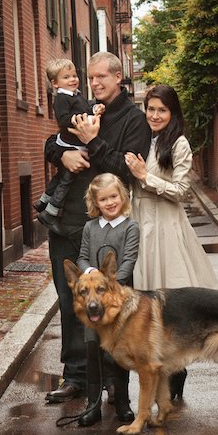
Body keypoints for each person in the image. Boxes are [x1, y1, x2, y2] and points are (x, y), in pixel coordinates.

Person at [43, 52, 151, 414]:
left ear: (119, 77)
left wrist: (92, 141)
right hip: (68, 220)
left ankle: (111, 380)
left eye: (102, 77)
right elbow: (53, 141)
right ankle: (74, 376)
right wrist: (62, 157)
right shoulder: (83, 108)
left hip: (108, 228)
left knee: (112, 303)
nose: (95, 84)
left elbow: (127, 168)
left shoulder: (133, 119)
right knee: (68, 298)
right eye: (91, 78)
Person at [125, 84, 218, 400]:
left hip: (166, 226)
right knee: (144, 303)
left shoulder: (178, 144)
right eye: (150, 109)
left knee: (171, 303)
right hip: (140, 225)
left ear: (172, 112)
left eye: (161, 110)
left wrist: (144, 177)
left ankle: (177, 374)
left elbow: (180, 191)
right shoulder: (141, 138)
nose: (154, 115)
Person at [74, 173, 139, 426]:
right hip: (92, 303)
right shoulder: (90, 228)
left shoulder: (130, 227)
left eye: (114, 196)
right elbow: (81, 257)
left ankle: (123, 403)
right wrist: (89, 272)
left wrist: (108, 285)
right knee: (93, 351)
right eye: (104, 199)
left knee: (119, 352)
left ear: (122, 197)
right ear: (95, 203)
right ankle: (92, 405)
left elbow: (128, 263)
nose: (110, 202)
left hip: (118, 302)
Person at [34, 59, 105, 235]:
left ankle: (43, 201)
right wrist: (84, 120)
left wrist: (95, 107)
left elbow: (86, 106)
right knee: (67, 177)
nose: (73, 79)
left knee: (61, 176)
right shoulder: (61, 98)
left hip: (76, 142)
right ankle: (50, 213)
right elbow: (64, 120)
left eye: (74, 75)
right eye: (66, 77)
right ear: (55, 83)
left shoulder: (75, 95)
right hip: (70, 142)